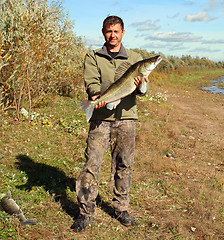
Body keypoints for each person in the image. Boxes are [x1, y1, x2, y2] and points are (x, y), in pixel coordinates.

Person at [71, 15, 147, 232]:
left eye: (116, 31)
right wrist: (97, 97)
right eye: (108, 31)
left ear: (123, 32)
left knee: (124, 163)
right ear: (103, 32)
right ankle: (85, 212)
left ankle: (121, 208)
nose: (112, 35)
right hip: (100, 118)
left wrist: (142, 85)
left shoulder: (135, 58)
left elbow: (143, 91)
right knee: (91, 164)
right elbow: (92, 84)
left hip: (127, 119)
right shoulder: (93, 57)